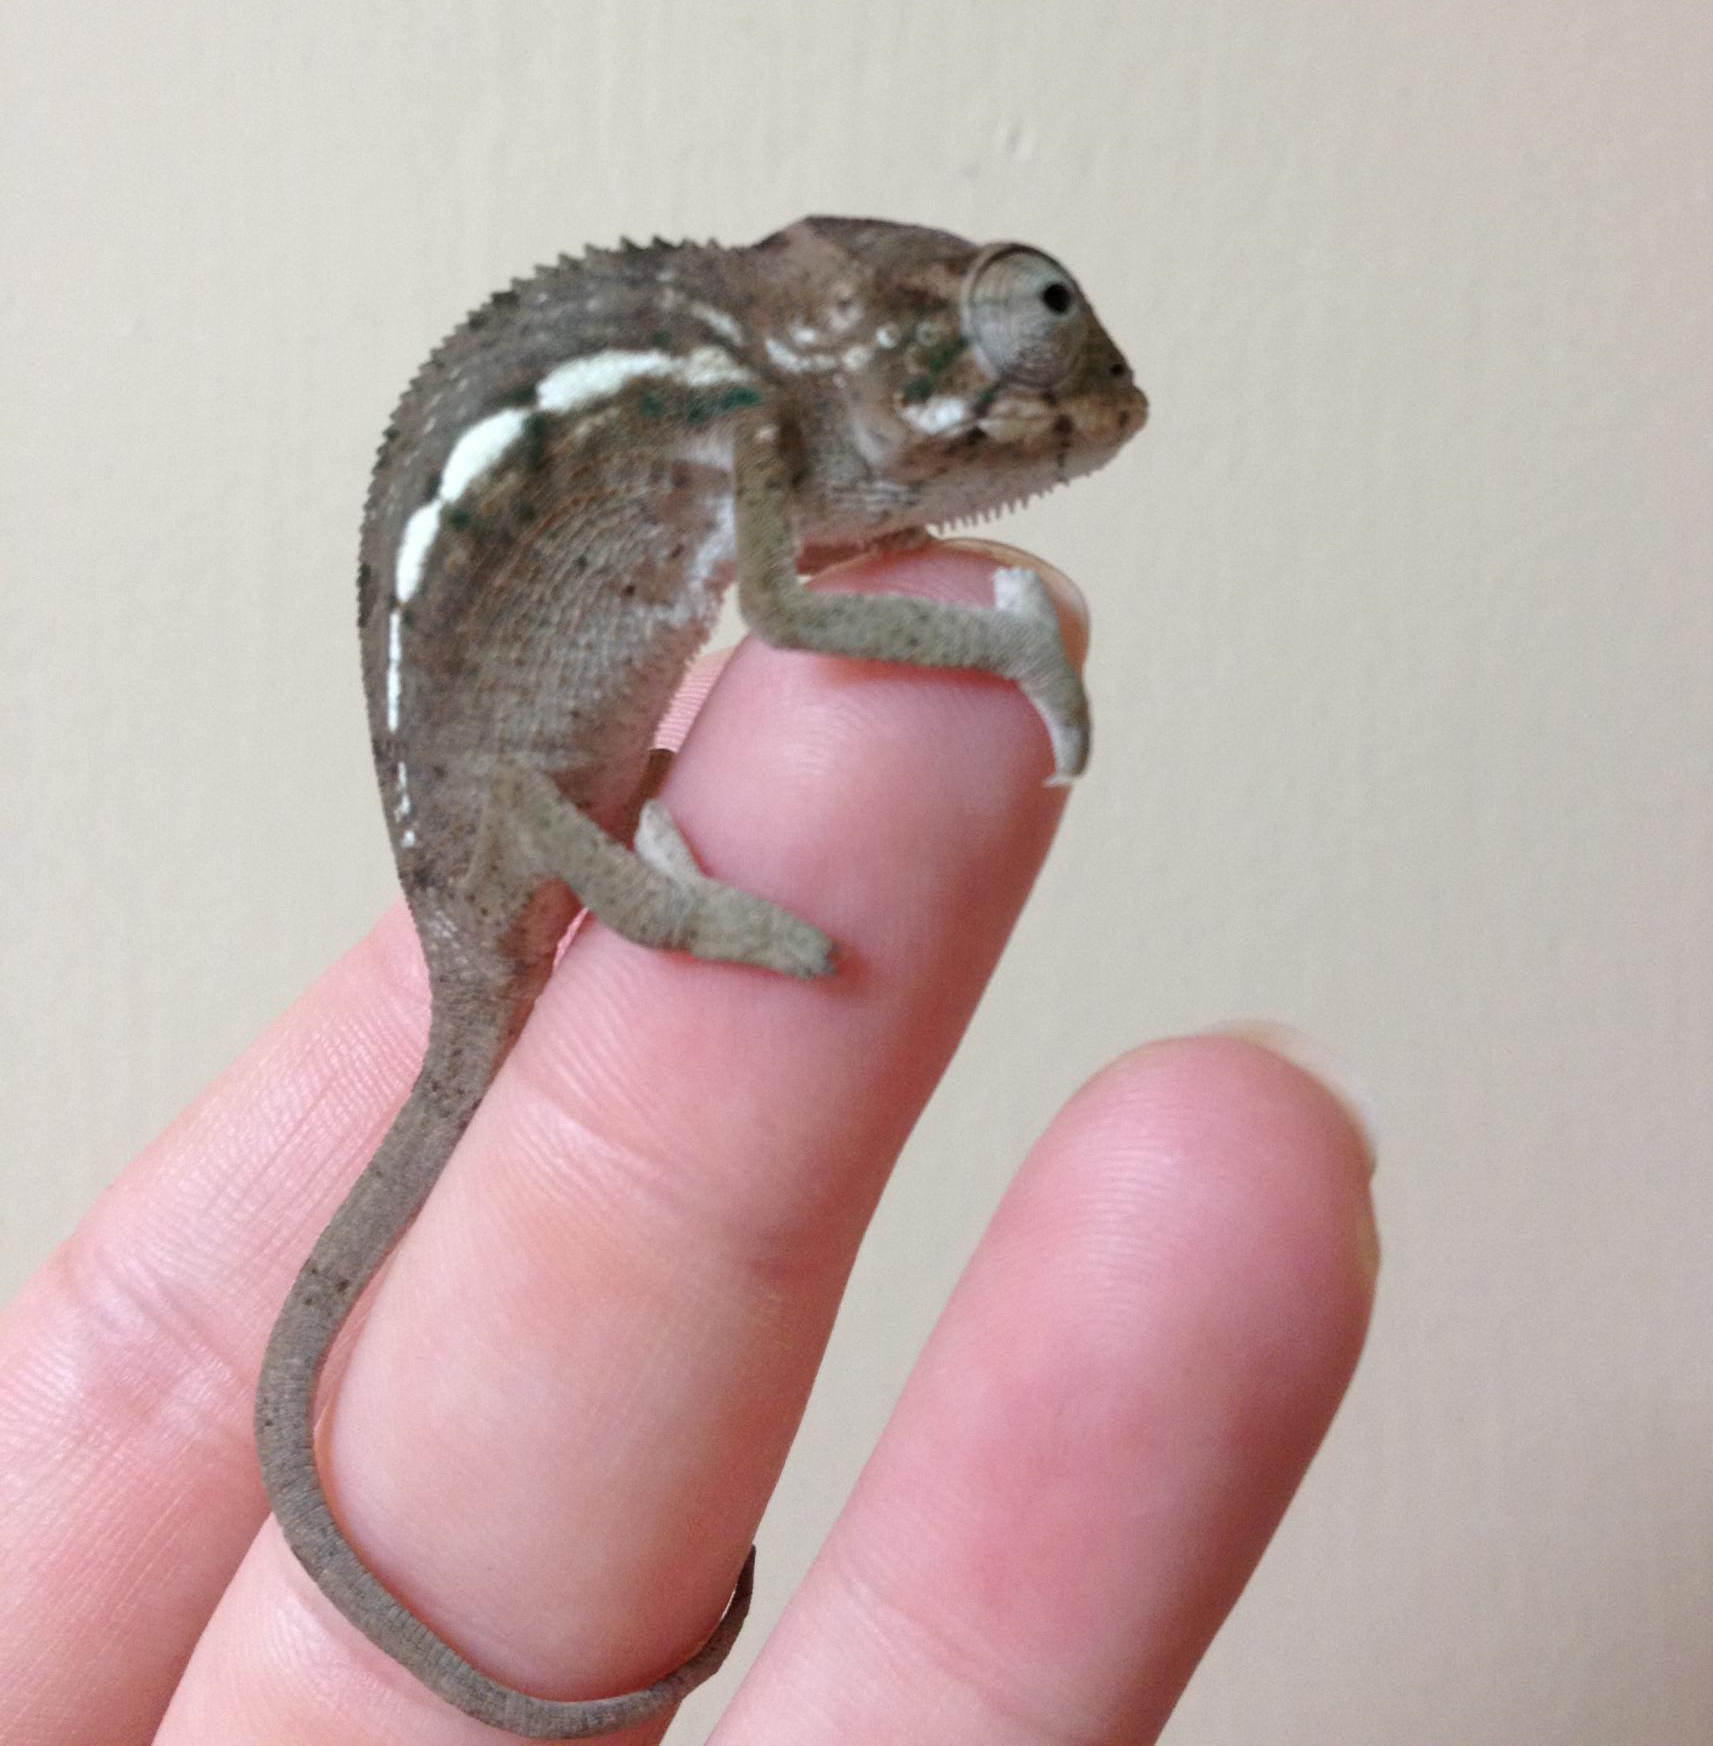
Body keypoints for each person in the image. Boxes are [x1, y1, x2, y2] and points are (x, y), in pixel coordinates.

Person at [0, 547, 1376, 1742]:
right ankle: (669, 910)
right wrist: (984, 645)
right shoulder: (726, 432)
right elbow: (793, 601)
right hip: (509, 820)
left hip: (530, 807)